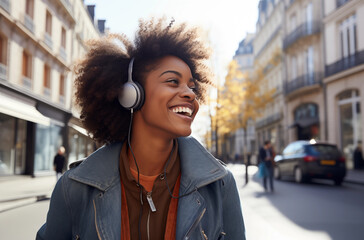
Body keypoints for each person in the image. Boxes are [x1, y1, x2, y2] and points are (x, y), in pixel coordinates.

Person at [36, 17, 245, 239]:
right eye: (173, 81)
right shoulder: (73, 189)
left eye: (192, 87)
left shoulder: (221, 186)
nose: (191, 94)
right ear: (131, 95)